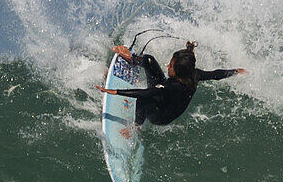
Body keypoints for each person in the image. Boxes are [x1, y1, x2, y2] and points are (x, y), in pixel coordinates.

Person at [95, 41, 247, 127]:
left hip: (162, 116)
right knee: (149, 60)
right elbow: (216, 74)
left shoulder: (171, 86)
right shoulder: (194, 74)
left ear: (179, 72)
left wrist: (114, 91)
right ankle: (132, 60)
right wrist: (235, 71)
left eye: (171, 66)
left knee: (144, 100)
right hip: (166, 99)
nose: (167, 66)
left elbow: (144, 94)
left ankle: (136, 127)